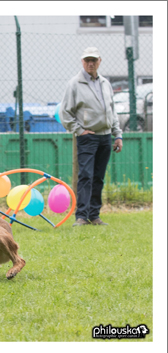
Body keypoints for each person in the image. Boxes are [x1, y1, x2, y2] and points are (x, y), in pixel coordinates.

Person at [60, 47, 123, 227]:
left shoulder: (105, 83)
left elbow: (112, 112)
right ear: (82, 62)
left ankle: (94, 215)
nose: (90, 63)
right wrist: (79, 130)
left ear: (99, 61)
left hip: (105, 137)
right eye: (87, 60)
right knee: (85, 176)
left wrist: (117, 134)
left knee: (99, 177)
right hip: (87, 137)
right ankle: (81, 216)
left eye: (93, 60)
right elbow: (65, 112)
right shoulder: (74, 83)